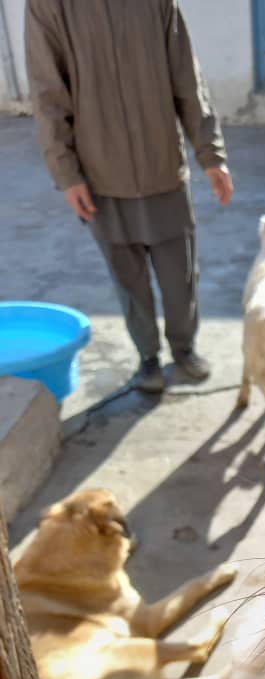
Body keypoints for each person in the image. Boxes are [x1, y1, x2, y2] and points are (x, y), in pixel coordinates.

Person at [24, 0, 234, 392]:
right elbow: (47, 93)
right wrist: (67, 174)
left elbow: (187, 77)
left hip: (163, 169)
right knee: (129, 281)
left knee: (179, 278)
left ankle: (184, 349)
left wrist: (210, 153)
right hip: (101, 178)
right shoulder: (48, 6)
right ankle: (148, 358)